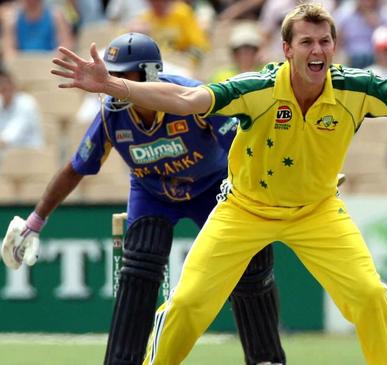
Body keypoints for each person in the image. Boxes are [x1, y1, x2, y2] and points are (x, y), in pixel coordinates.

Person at [50, 4, 387, 364]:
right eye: (307, 42)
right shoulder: (255, 87)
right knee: (184, 308)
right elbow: (188, 101)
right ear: (287, 48)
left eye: (325, 42)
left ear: (334, 46)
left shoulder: (354, 88)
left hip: (317, 211)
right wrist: (116, 84)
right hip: (244, 210)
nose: (317, 50)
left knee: (370, 297)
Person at [2, 33, 285, 365]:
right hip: (152, 191)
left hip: (213, 187)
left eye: (125, 74)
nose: (114, 82)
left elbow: (247, 149)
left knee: (251, 267)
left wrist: (285, 186)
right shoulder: (111, 114)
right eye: (111, 74)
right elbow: (76, 168)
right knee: (138, 269)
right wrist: (34, 222)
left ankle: (266, 359)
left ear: (150, 72)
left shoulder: (191, 97)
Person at [1, 0, 74, 60]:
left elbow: (66, 44)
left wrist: (53, 60)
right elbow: (8, 49)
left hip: (49, 62)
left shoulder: (56, 15)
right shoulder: (12, 17)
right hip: (21, 64)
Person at [0, 68, 44, 153]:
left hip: (30, 157)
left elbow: (8, 137)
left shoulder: (26, 103)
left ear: (13, 84)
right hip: (7, 158)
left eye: (6, 82)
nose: (3, 86)